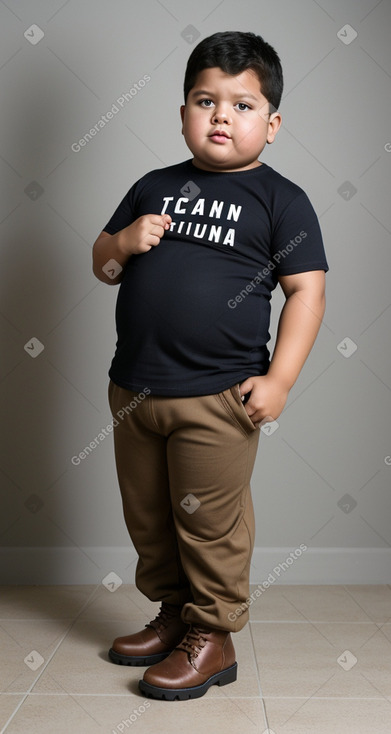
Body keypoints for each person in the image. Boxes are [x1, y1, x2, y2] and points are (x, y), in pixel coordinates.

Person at [92, 30, 328, 701]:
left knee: (208, 522)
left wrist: (278, 379)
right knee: (149, 515)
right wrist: (121, 240)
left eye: (241, 104)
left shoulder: (281, 200)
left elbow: (306, 291)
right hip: (133, 388)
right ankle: (174, 615)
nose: (221, 115)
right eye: (205, 100)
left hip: (217, 396)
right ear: (182, 114)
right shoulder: (152, 186)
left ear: (271, 124)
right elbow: (103, 268)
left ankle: (213, 635)